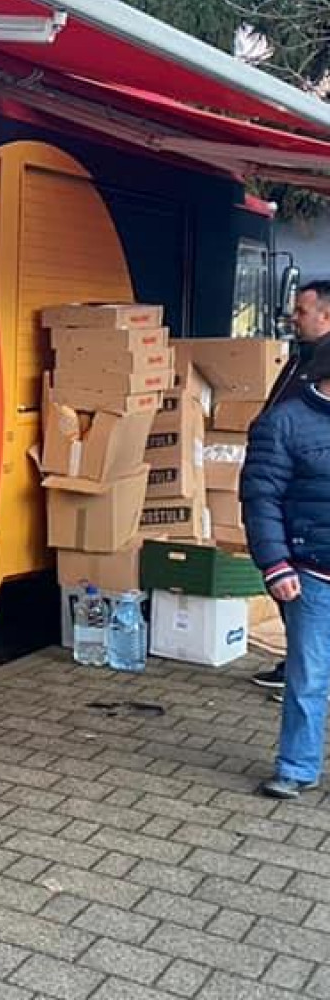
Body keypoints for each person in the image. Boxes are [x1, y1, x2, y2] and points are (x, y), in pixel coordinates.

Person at [241, 344, 330, 799]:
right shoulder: (283, 423)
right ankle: (297, 768)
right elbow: (260, 498)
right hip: (311, 571)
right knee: (308, 676)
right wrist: (275, 565)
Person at [250, 280, 330, 694]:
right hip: (289, 499)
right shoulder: (302, 358)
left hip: (308, 518)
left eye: (302, 311)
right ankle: (299, 664)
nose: (294, 318)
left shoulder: (320, 368)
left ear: (327, 316)